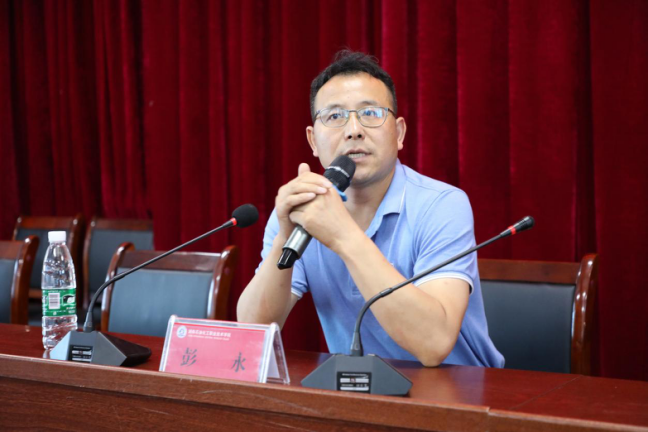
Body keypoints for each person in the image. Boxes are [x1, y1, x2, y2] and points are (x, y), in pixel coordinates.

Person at [237, 50, 503, 368]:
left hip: (458, 388)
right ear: (313, 140)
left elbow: (433, 344)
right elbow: (252, 331)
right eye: (334, 116)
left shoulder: (442, 204)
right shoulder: (303, 208)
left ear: (399, 133)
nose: (354, 130)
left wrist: (342, 235)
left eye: (371, 113)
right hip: (357, 388)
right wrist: (284, 237)